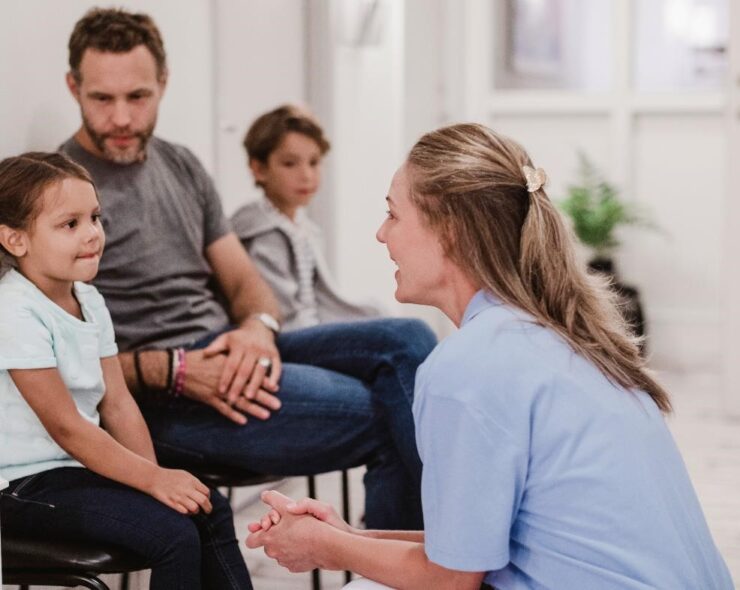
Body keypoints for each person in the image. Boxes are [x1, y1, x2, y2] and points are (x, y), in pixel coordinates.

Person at [245, 123, 734, 590]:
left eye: (393, 214)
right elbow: (476, 552)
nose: (381, 234)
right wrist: (347, 538)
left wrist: (326, 549)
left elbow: (449, 580)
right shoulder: (554, 338)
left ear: (450, 230)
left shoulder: (467, 368)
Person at [59, 6, 435, 536]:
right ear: (73, 87)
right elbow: (60, 361)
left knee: (408, 336)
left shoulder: (181, 164)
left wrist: (258, 328)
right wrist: (176, 370)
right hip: (158, 399)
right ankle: (428, 564)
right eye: (102, 98)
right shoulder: (59, 194)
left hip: (229, 348)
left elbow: (242, 282)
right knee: (392, 415)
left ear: (163, 85)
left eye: (137, 97)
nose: (121, 118)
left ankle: (431, 559)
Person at [0, 152, 251, 590]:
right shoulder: (14, 310)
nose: (93, 234)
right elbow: (66, 426)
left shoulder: (89, 299)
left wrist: (157, 485)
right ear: (15, 239)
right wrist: (153, 481)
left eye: (94, 218)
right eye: (70, 224)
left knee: (206, 508)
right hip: (21, 485)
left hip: (73, 471)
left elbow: (117, 402)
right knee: (172, 534)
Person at [232, 104, 380, 331]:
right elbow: (284, 317)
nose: (307, 175)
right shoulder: (263, 235)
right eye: (290, 164)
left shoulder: (305, 229)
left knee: (379, 313)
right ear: (259, 169)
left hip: (312, 329)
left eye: (314, 162)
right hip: (290, 337)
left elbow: (321, 302)